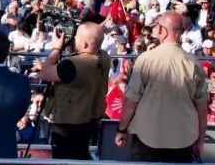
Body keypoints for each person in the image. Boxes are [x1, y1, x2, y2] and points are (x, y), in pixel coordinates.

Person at [115, 12, 208, 163]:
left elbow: (130, 101)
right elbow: (202, 107)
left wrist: (122, 129)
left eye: (157, 26)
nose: (155, 30)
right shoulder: (194, 63)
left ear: (162, 31)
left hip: (147, 137)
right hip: (183, 139)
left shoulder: (145, 59)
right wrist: (201, 141)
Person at [39, 23, 111, 160]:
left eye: (76, 37)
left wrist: (56, 48)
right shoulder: (104, 58)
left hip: (68, 125)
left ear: (84, 44)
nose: (73, 40)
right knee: (81, 156)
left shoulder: (73, 64)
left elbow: (44, 73)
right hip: (90, 120)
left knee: (65, 160)